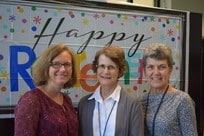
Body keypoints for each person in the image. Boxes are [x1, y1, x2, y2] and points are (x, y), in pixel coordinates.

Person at [78, 45, 144, 136]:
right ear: (96, 68)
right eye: (102, 66)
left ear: (119, 71)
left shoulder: (132, 104)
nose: (105, 72)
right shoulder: (84, 104)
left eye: (111, 67)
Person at [14, 44, 78, 136]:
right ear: (45, 67)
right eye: (56, 64)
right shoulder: (31, 100)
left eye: (67, 64)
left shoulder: (67, 99)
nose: (63, 69)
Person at [141, 43, 198, 136]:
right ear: (144, 71)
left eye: (161, 67)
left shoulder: (182, 100)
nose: (156, 72)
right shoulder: (140, 101)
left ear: (170, 70)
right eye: (150, 67)